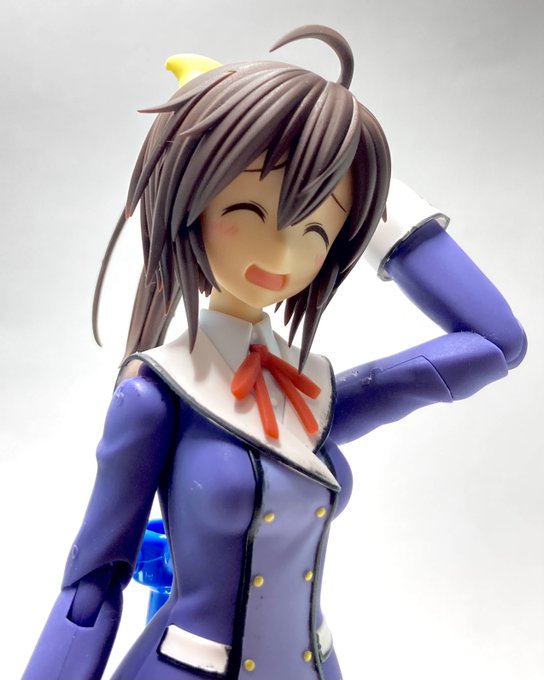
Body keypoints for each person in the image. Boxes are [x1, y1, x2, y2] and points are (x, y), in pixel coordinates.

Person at [23, 25, 526, 680]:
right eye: (250, 210)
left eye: (315, 225)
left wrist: (374, 192)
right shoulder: (157, 395)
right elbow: (89, 593)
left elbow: (495, 341)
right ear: (192, 202)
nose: (284, 251)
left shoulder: (311, 394)